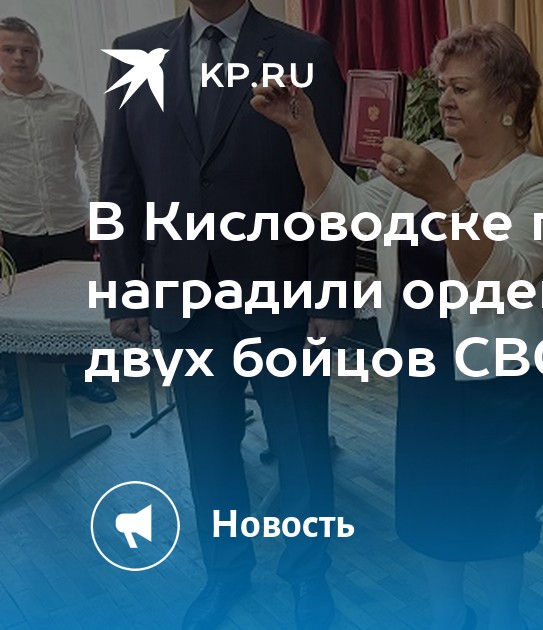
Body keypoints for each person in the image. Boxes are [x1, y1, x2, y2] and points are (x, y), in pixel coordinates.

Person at [252, 22, 543, 630]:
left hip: (503, 378)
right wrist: (303, 130)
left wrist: (446, 196)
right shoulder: (436, 157)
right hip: (425, 366)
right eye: (442, 86)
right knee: (430, 503)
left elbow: (505, 279)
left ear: (509, 99)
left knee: (497, 512)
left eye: (462, 88)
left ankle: (504, 618)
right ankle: (447, 615)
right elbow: (349, 212)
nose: (446, 100)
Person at [99, 1, 353, 629]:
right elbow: (120, 182)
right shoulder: (134, 53)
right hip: (183, 295)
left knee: (300, 449)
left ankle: (308, 575)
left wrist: (332, 295)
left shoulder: (305, 53)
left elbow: (330, 181)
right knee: (208, 449)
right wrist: (123, 290)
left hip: (283, 293)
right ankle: (225, 572)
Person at [0, 16, 116, 422]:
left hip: (70, 224)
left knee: (80, 308)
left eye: (27, 50)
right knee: (13, 312)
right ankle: (16, 390)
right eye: (9, 49)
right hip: (12, 228)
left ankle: (84, 378)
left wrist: (99, 215)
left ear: (40, 54)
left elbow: (96, 160)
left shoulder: (71, 103)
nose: (19, 57)